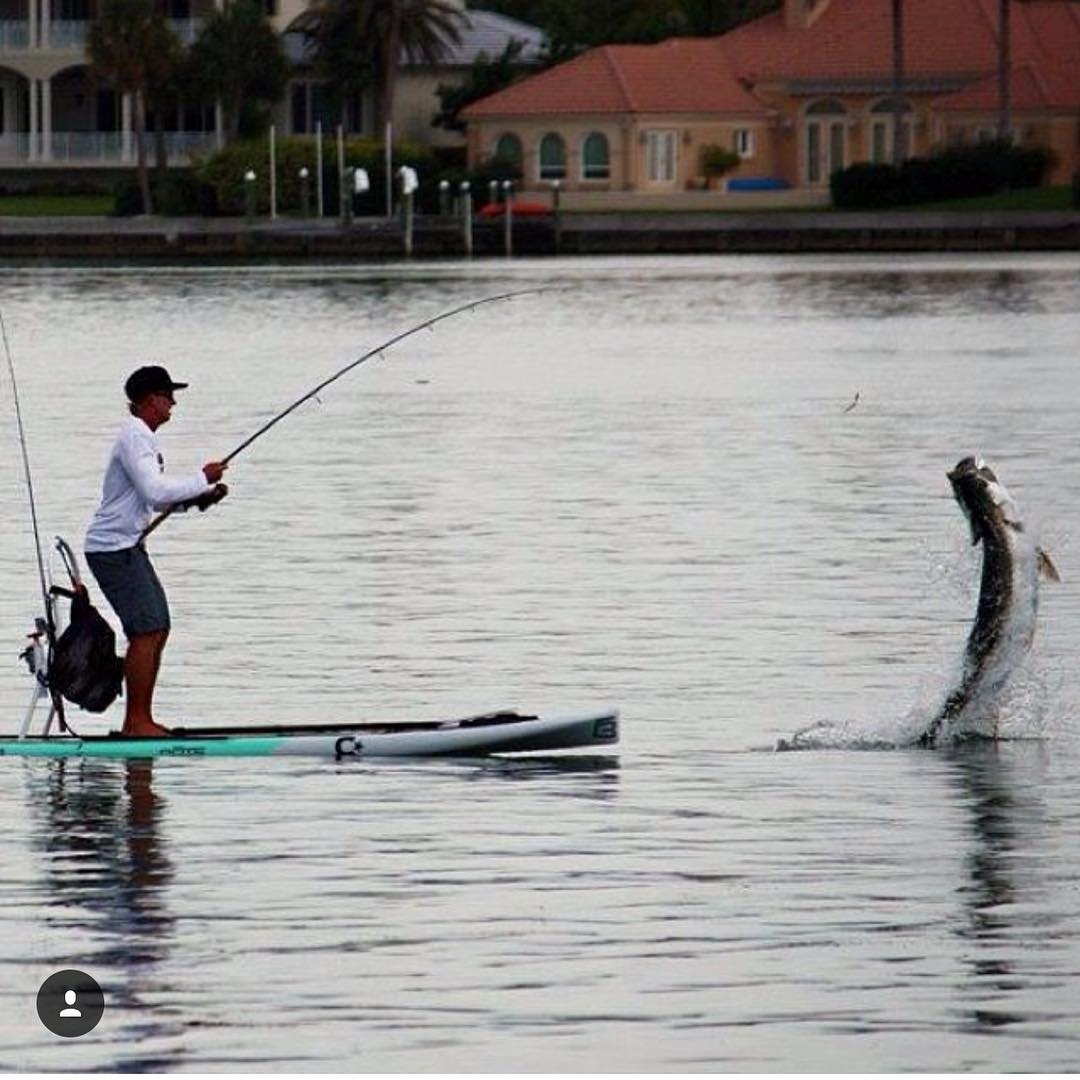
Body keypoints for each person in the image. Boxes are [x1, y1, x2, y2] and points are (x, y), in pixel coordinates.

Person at [84, 365, 228, 737]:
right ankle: (136, 723)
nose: (173, 404)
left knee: (157, 627)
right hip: (112, 550)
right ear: (151, 400)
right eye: (169, 396)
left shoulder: (142, 437)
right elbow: (155, 491)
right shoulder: (135, 437)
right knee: (147, 631)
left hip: (127, 547)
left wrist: (199, 499)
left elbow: (152, 498)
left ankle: (141, 719)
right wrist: (202, 477)